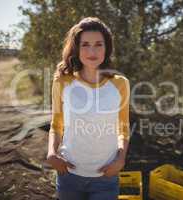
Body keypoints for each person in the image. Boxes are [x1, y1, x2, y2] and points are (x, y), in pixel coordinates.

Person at [46, 17, 130, 200]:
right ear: (76, 48)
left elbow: (123, 128)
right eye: (85, 44)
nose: (92, 51)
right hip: (69, 174)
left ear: (106, 48)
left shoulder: (120, 84)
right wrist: (52, 153)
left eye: (99, 44)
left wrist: (120, 160)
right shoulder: (63, 81)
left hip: (106, 177)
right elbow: (56, 124)